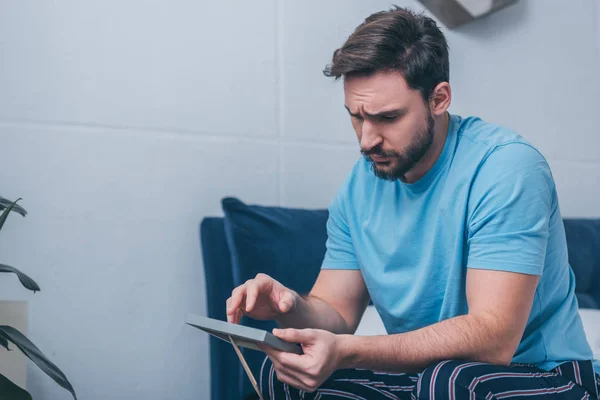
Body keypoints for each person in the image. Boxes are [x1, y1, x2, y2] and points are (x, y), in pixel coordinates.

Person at [226, 6, 600, 399]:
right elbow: (334, 314)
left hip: (546, 374)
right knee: (286, 378)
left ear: (439, 99)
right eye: (356, 116)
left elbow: (494, 338)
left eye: (387, 117)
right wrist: (287, 307)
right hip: (428, 378)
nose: (366, 139)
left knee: (452, 381)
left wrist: (350, 352)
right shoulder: (359, 188)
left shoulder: (506, 168)